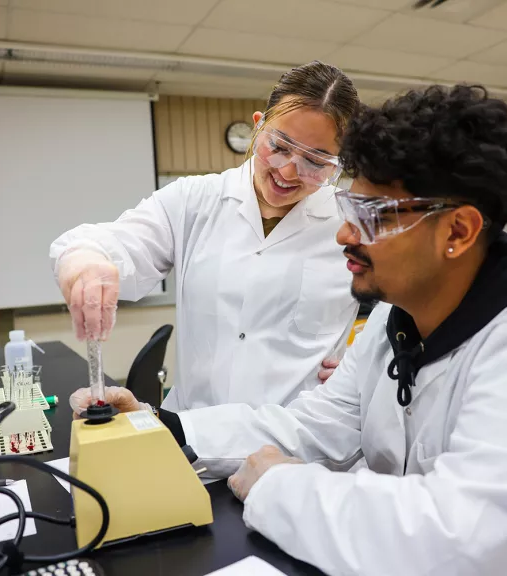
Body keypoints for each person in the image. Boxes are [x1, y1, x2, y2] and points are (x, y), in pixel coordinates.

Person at [71, 84, 507, 575]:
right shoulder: (394, 323)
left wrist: (278, 485)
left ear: (457, 231)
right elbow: (314, 424)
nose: (345, 235)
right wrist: (164, 425)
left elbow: (462, 536)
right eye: (350, 209)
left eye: (370, 217)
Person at [51, 61, 360, 411]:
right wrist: (85, 262)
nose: (288, 171)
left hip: (300, 446)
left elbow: (409, 309)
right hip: (192, 438)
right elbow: (108, 243)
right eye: (280, 146)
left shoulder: (352, 223)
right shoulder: (193, 200)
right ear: (259, 127)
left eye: (316, 162)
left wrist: (367, 365)